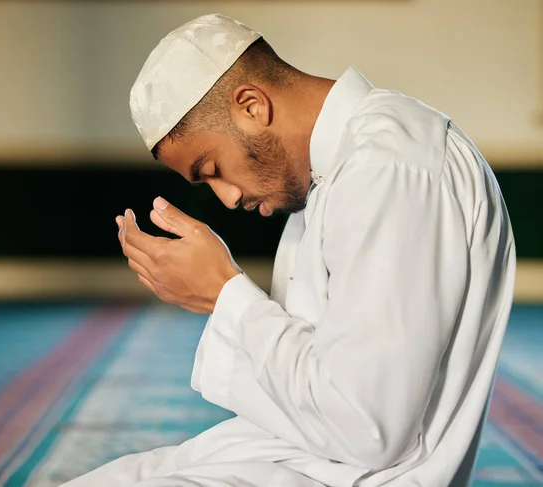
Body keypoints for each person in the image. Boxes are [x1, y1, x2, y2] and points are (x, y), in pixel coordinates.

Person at [62, 13, 516, 487]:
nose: (229, 198)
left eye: (212, 168)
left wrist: (224, 294)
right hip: (296, 459)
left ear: (252, 106)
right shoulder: (339, 171)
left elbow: (368, 427)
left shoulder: (388, 169)